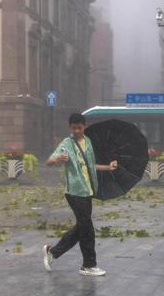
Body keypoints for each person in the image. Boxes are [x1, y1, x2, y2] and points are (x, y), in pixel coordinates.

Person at [43, 112, 117, 276]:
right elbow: (49, 161)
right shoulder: (66, 144)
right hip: (74, 192)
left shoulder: (88, 142)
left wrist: (108, 167)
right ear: (70, 128)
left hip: (87, 191)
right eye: (73, 128)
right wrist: (57, 160)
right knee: (88, 229)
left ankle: (53, 252)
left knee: (82, 227)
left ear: (85, 127)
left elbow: (91, 165)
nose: (76, 131)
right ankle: (89, 265)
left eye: (79, 127)